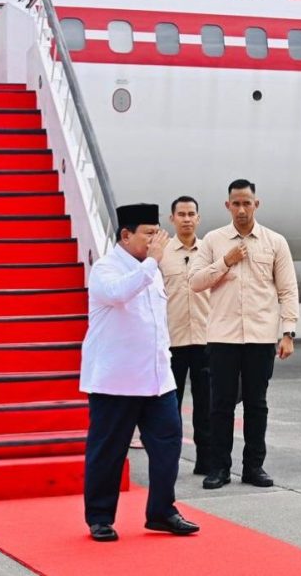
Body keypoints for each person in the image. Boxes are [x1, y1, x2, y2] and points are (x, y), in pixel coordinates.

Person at [80, 203, 200, 542]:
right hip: (116, 380)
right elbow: (119, 294)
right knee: (109, 450)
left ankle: (162, 511)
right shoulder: (106, 269)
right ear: (126, 235)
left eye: (156, 233)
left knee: (168, 444)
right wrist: (152, 262)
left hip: (156, 379)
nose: (155, 241)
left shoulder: (150, 269)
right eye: (148, 234)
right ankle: (100, 517)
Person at [190, 179, 299, 490]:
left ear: (256, 204)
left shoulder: (275, 242)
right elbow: (195, 281)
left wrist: (288, 331)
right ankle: (219, 468)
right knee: (220, 405)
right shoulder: (213, 241)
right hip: (223, 336)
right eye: (235, 203)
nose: (241, 209)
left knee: (256, 404)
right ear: (227, 206)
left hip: (261, 337)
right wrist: (225, 262)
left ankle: (253, 467)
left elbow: (288, 289)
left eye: (246, 203)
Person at [160, 196, 212, 474]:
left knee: (206, 406)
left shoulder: (210, 251)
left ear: (199, 218)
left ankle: (206, 462)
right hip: (172, 342)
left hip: (205, 340)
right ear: (172, 219)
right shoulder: (162, 254)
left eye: (192, 213)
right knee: (170, 407)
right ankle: (170, 461)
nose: (187, 219)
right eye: (181, 214)